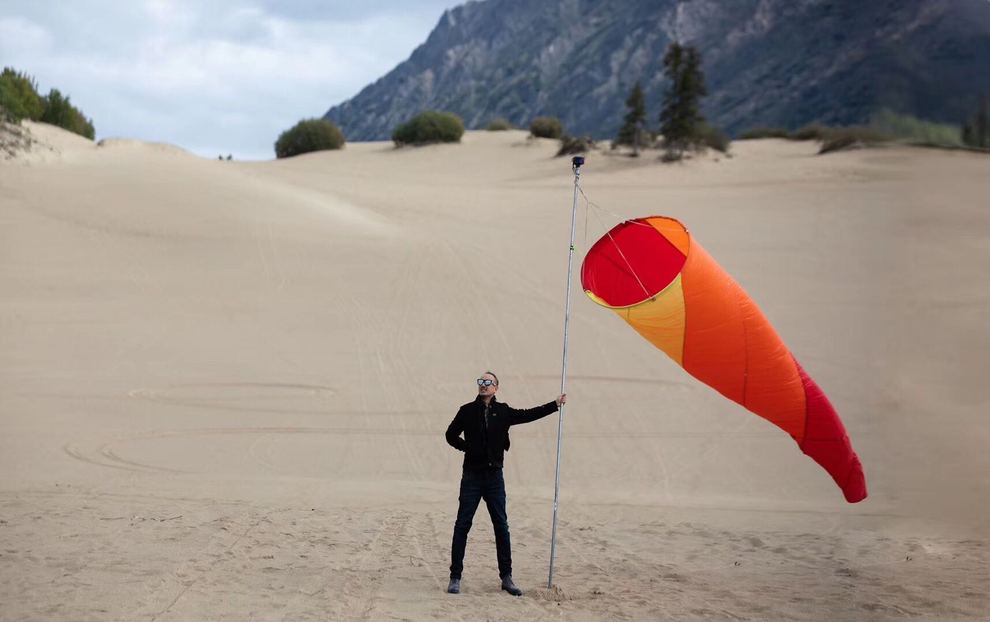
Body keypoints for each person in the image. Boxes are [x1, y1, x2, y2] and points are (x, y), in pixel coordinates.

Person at [444, 371, 566, 596]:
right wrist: (466, 448)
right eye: (481, 382)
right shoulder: (467, 410)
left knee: (501, 526)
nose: (483, 385)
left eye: (488, 382)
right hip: (471, 476)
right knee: (462, 525)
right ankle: (455, 577)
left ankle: (506, 577)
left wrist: (554, 405)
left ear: (496, 387)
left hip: (494, 478)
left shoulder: (504, 411)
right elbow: (450, 435)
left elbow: (528, 414)